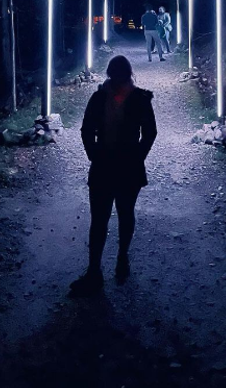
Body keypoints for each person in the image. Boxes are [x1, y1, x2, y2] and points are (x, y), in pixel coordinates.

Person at [69, 55, 157, 297]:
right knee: (108, 217)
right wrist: (96, 155)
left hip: (115, 164)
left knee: (112, 216)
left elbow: (150, 132)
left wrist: (134, 155)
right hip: (111, 164)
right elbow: (87, 129)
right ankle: (104, 267)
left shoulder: (131, 99)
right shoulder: (108, 98)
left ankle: (111, 264)